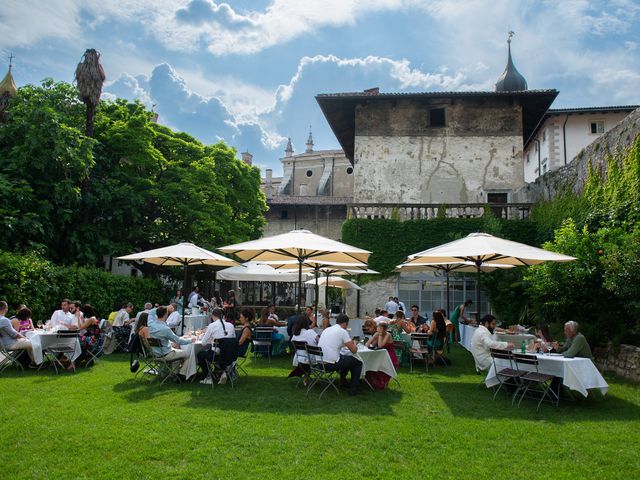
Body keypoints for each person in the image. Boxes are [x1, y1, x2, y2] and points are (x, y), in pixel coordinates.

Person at [317, 314, 363, 395]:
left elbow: (333, 343)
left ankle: (343, 381)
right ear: (345, 323)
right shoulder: (342, 331)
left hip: (319, 362)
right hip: (329, 364)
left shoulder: (327, 329)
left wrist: (345, 344)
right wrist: (354, 343)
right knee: (357, 362)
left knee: (347, 358)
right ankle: (353, 389)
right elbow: (354, 351)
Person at [148, 306, 194, 371]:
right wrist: (191, 340)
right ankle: (181, 374)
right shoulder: (165, 329)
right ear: (166, 314)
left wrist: (163, 308)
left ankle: (173, 372)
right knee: (188, 354)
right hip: (165, 354)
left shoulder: (150, 324)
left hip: (156, 353)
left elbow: (151, 312)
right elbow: (178, 341)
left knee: (176, 349)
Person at [198, 308, 235, 384]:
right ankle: (223, 372)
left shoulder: (212, 325)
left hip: (217, 355)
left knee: (200, 355)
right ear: (223, 316)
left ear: (212, 316)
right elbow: (233, 340)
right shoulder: (231, 325)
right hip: (230, 355)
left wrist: (210, 338)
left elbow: (203, 343)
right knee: (214, 352)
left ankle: (208, 377)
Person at [0, 301, 36, 366]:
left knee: (28, 342)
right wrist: (24, 337)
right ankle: (35, 363)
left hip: (2, 344)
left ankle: (32, 362)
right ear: (6, 309)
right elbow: (14, 334)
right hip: (10, 344)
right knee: (33, 343)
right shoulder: (5, 320)